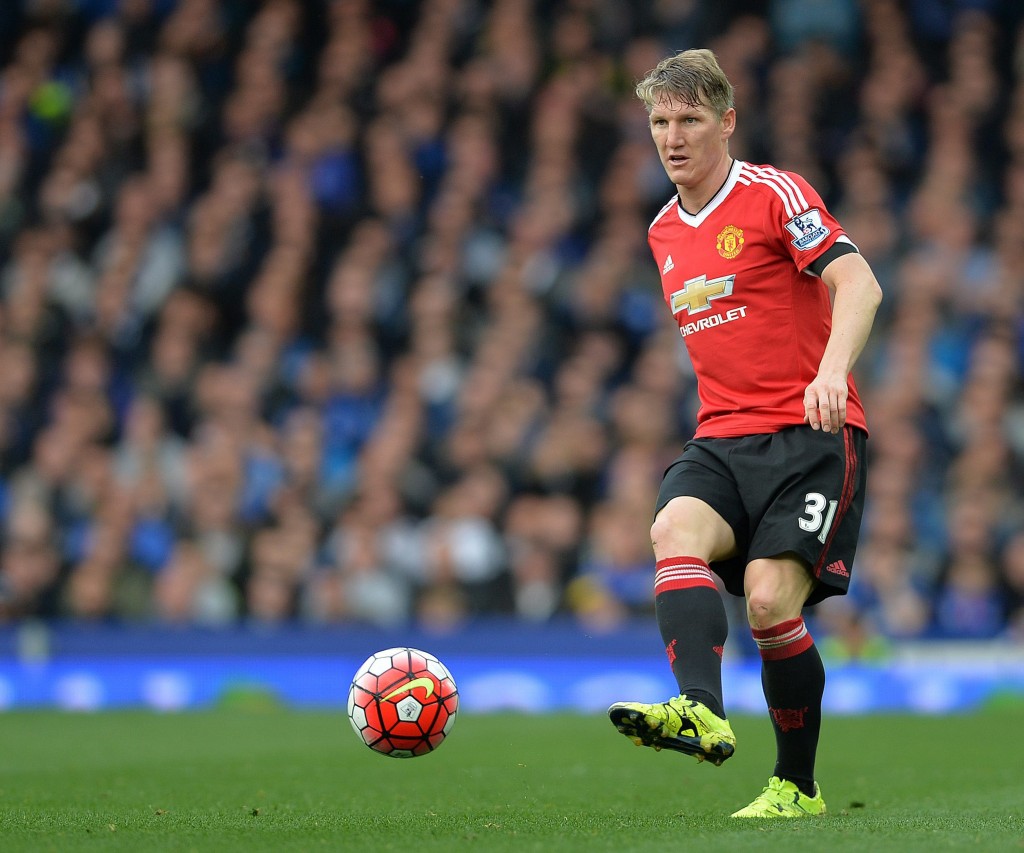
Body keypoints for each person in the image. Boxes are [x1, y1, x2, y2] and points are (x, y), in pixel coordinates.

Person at [607, 49, 882, 819]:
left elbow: (859, 282)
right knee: (672, 529)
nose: (673, 138)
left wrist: (832, 372)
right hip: (721, 437)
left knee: (767, 603)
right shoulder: (662, 229)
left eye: (690, 120)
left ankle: (797, 784)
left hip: (810, 433)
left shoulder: (772, 194)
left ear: (727, 122)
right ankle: (700, 708)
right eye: (660, 122)